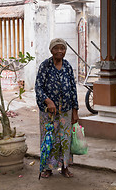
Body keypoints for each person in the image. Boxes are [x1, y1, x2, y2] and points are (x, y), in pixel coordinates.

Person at [35, 38, 79, 178]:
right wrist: (48, 101)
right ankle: (48, 168)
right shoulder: (45, 66)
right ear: (51, 50)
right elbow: (38, 87)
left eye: (62, 48)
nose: (60, 51)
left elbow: (73, 89)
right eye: (56, 48)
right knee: (49, 139)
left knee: (65, 139)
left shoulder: (67, 66)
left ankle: (65, 167)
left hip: (66, 110)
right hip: (48, 112)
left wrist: (75, 111)